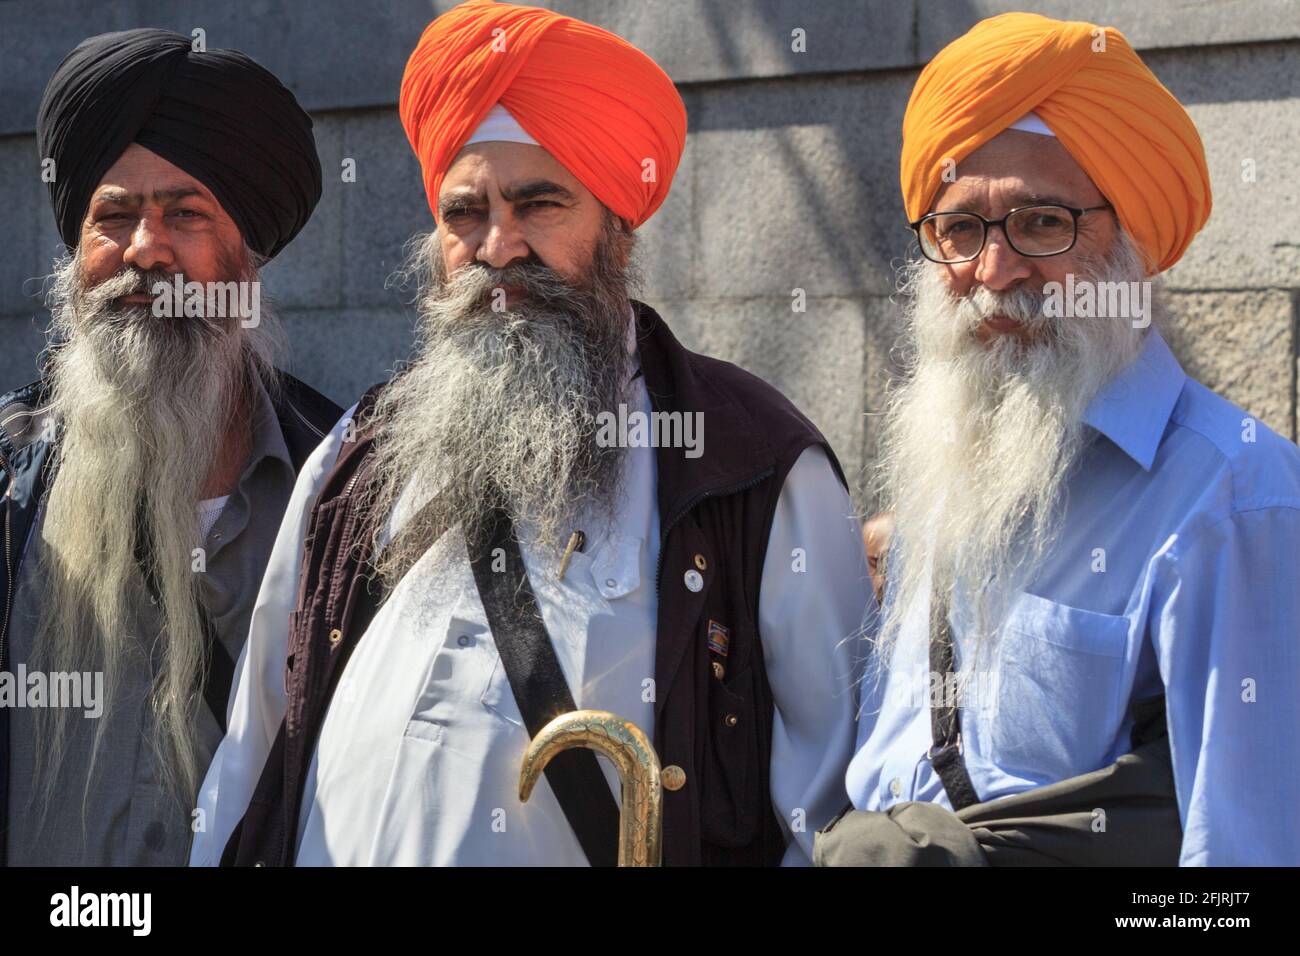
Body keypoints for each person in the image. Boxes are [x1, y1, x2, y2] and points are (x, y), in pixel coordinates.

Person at [191, 0, 870, 868]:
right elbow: (254, 747)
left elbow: (828, 810)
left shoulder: (752, 465)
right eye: (464, 214)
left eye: (539, 204)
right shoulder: (357, 453)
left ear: (617, 230)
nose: (498, 246)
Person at [838, 11, 1300, 866]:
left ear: (1134, 243)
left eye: (1042, 224)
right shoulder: (947, 464)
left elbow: (1243, 858)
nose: (994, 271)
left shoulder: (1240, 497)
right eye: (960, 230)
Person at [0, 28, 340, 865]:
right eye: (112, 217)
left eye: (184, 215)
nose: (144, 250)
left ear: (244, 258)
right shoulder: (9, 480)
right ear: (77, 258)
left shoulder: (344, 490)